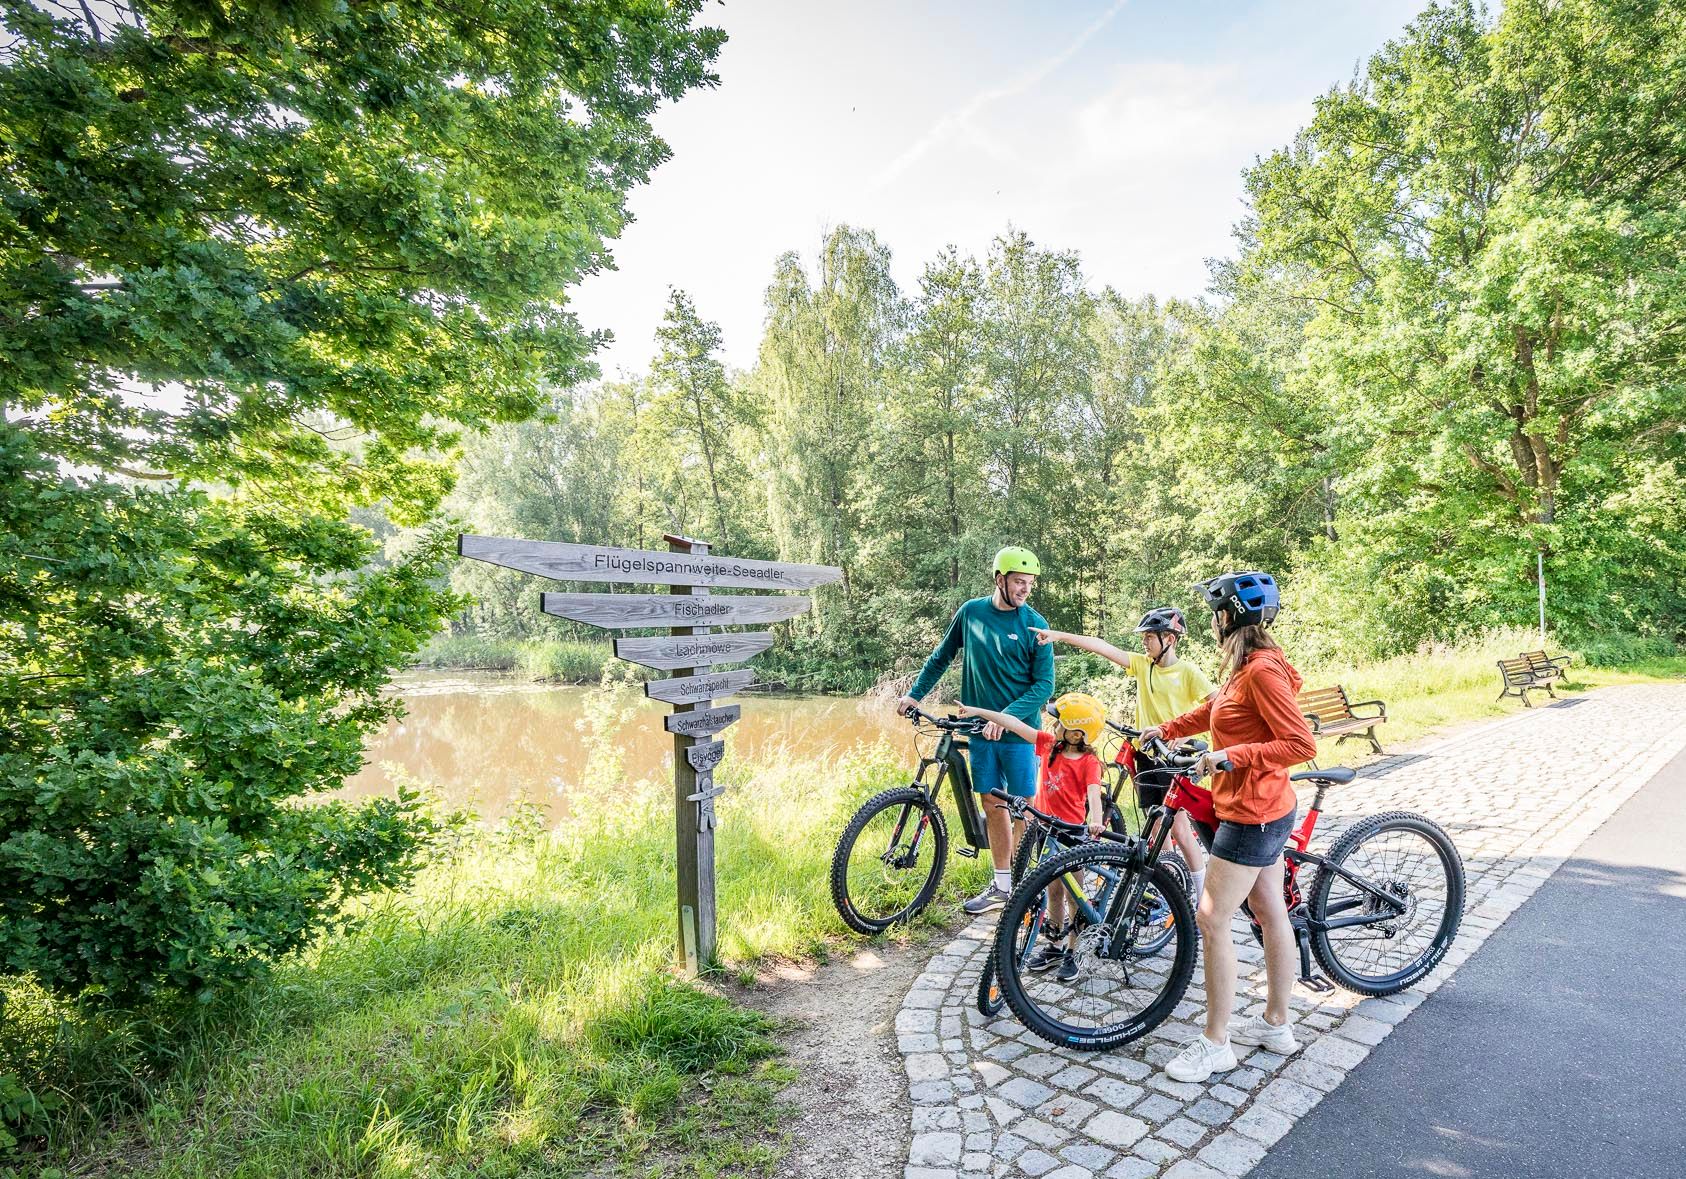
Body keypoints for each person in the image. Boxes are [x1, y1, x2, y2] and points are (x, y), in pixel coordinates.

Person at [1139, 571, 1316, 1084]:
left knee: (1213, 919)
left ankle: (1216, 1043)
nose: (1212, 621)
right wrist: (1167, 729)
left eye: (1216, 612)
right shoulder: (1245, 667)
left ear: (1230, 616)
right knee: (1268, 910)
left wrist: (1228, 757)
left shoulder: (1261, 672)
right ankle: (1277, 1026)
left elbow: (1301, 745)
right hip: (1262, 809)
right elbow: (1219, 709)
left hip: (1253, 814)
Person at [898, 546, 1055, 915]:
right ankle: (1002, 885)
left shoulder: (1036, 625)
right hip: (979, 732)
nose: (1025, 589)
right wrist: (914, 694)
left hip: (1019, 733)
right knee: (992, 803)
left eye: (1030, 583)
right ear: (1000, 580)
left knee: (1024, 810)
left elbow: (1043, 685)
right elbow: (941, 656)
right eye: (1019, 582)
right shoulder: (971, 612)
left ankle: (1023, 882)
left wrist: (1003, 718)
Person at [1031, 607, 1216, 898]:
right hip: (1146, 756)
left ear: (1169, 638)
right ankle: (1170, 889)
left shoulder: (1188, 672)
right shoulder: (1143, 665)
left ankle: (1201, 892)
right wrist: (1058, 636)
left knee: (1179, 827)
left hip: (1173, 762)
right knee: (1156, 828)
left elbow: (1217, 706)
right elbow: (1102, 647)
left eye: (1149, 637)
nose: (1144, 642)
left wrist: (1186, 734)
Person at [955, 694, 1107, 983]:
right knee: (1053, 891)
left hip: (1072, 834)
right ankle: (1054, 944)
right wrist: (976, 710)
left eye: (1059, 721)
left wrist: (1096, 820)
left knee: (1074, 894)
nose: (1053, 724)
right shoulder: (1048, 743)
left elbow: (1093, 794)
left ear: (1077, 733)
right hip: (1046, 830)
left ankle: (1073, 952)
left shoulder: (1089, 762)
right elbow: (1012, 723)